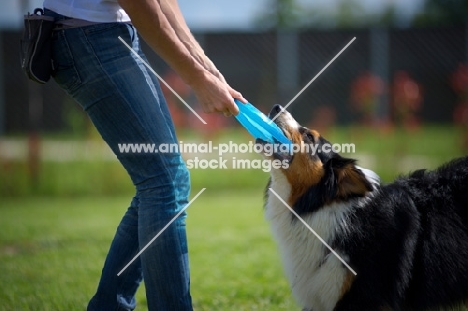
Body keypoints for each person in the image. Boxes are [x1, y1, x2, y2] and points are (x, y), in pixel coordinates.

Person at [42, 0, 247, 310]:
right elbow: (140, 5)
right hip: (88, 36)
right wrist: (197, 79)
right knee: (164, 183)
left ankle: (109, 306)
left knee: (163, 182)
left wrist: (205, 65)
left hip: (102, 34)